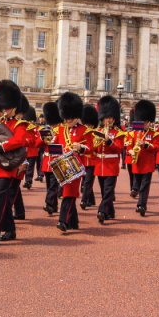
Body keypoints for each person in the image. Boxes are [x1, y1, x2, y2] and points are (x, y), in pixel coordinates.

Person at [0, 80, 27, 245]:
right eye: (2, 108)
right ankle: (10, 230)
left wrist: (0, 148)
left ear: (14, 107)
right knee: (4, 199)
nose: (4, 111)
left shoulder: (20, 124)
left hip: (8, 166)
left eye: (6, 108)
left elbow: (19, 140)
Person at [55, 92, 92, 232]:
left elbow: (90, 148)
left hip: (75, 167)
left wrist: (81, 147)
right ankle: (73, 221)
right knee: (68, 192)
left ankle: (62, 221)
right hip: (63, 165)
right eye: (67, 117)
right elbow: (56, 147)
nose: (68, 119)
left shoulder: (84, 130)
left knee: (69, 194)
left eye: (71, 117)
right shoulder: (60, 130)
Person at [92, 95, 125, 224]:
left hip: (111, 164)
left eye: (110, 117)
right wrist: (96, 143)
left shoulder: (119, 133)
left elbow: (119, 149)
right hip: (100, 164)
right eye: (106, 117)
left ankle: (101, 211)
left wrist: (109, 141)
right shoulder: (98, 131)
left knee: (108, 191)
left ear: (114, 118)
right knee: (103, 190)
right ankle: (110, 211)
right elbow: (95, 150)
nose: (107, 120)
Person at [126, 100, 158, 216]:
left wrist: (145, 145)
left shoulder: (154, 134)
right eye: (142, 121)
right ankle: (141, 203)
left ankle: (141, 205)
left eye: (145, 122)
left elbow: (156, 148)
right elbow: (129, 145)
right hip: (137, 162)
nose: (144, 124)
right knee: (139, 185)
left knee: (144, 186)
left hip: (148, 164)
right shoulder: (133, 133)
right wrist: (130, 151)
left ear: (149, 122)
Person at [41, 101, 64, 214]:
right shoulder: (46, 131)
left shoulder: (62, 131)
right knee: (49, 185)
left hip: (56, 161)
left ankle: (49, 203)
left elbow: (63, 146)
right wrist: (41, 139)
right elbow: (37, 145)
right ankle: (53, 207)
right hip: (47, 162)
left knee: (53, 185)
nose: (52, 125)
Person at [79, 103, 100, 209]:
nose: (87, 126)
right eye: (86, 124)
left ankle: (84, 200)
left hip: (92, 160)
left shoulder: (97, 134)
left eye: (89, 125)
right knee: (85, 181)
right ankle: (91, 200)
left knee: (88, 182)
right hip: (83, 160)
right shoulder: (82, 132)